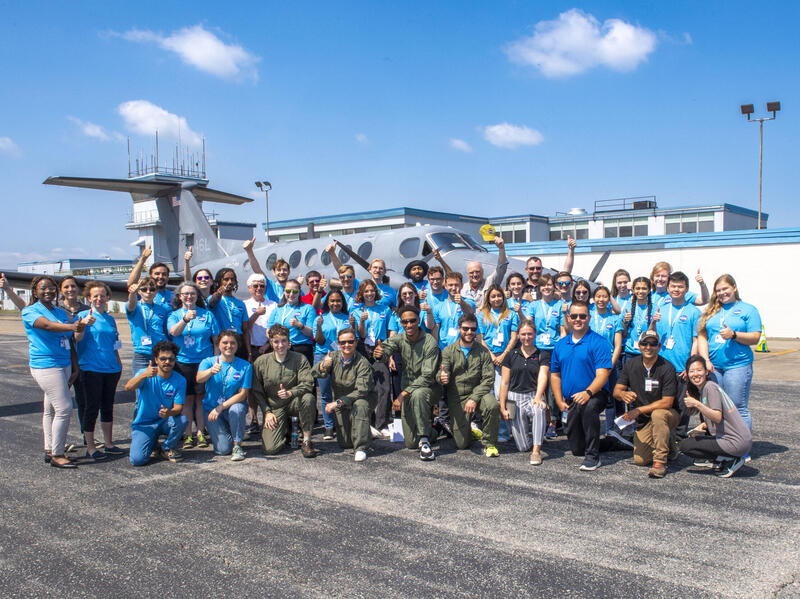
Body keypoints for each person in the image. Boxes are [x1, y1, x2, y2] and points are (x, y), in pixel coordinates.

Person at [22, 276, 88, 469]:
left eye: (52, 288)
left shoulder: (59, 312)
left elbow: (70, 340)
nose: (48, 291)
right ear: (35, 291)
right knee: (65, 407)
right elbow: (47, 326)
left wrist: (75, 367)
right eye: (43, 289)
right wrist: (73, 326)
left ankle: (50, 448)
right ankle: (58, 454)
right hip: (46, 365)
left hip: (64, 362)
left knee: (50, 408)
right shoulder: (30, 311)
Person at [697, 275, 761, 442]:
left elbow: (755, 338)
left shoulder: (749, 309)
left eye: (725, 288)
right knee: (716, 407)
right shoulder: (712, 311)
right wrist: (705, 360)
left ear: (734, 287)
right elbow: (702, 336)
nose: (722, 293)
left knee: (737, 407)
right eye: (718, 290)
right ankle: (723, 443)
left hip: (737, 365)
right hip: (714, 367)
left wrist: (734, 335)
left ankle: (742, 446)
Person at [550, 300, 612, 471]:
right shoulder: (561, 344)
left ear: (589, 317)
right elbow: (555, 375)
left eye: (582, 316)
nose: (578, 319)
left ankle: (593, 457)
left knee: (589, 407)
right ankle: (609, 443)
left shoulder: (598, 342)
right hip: (572, 399)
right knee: (577, 449)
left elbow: (603, 374)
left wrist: (588, 393)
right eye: (575, 316)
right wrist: (558, 400)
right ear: (568, 318)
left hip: (595, 394)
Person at [373, 306, 440, 461]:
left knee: (418, 393)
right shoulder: (400, 339)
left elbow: (427, 376)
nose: (409, 325)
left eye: (412, 321)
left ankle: (425, 440)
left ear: (418, 321)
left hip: (429, 388)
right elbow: (386, 349)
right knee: (410, 443)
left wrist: (402, 394)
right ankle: (434, 431)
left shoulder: (430, 342)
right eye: (405, 322)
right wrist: (380, 354)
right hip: (408, 389)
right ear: (401, 323)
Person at [614, 330, 679, 478]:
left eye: (653, 344)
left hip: (668, 414)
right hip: (644, 419)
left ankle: (660, 462)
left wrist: (638, 410)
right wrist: (623, 394)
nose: (648, 347)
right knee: (640, 460)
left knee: (658, 414)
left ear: (659, 346)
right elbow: (616, 391)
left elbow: (667, 402)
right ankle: (668, 443)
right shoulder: (631, 364)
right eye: (644, 343)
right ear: (639, 345)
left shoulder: (667, 367)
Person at [437, 313, 500, 457]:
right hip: (457, 397)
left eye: (473, 329)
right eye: (465, 329)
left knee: (492, 405)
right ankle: (469, 429)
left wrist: (474, 398)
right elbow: (441, 373)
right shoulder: (448, 351)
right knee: (461, 444)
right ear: (459, 329)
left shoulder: (483, 352)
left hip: (478, 394)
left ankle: (489, 444)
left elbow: (488, 379)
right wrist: (442, 378)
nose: (469, 332)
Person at [679, 355, 752, 478]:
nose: (695, 374)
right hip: (738, 440)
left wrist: (696, 404)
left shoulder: (710, 387)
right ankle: (721, 458)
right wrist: (701, 426)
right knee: (692, 441)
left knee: (685, 446)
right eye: (691, 371)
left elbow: (717, 417)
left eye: (699, 370)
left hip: (734, 442)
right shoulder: (706, 388)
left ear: (706, 372)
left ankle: (728, 459)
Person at [167, 282, 220, 450]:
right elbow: (173, 332)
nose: (189, 296)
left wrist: (216, 359)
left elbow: (215, 339)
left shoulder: (207, 315)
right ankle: (188, 434)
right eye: (185, 294)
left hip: (203, 362)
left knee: (201, 399)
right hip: (183, 362)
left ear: (198, 296)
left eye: (192, 294)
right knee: (187, 400)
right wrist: (185, 319)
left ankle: (200, 433)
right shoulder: (174, 315)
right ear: (179, 297)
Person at [251, 324, 317, 457]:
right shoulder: (261, 362)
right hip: (275, 407)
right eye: (276, 341)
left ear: (289, 342)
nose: (280, 345)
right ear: (270, 342)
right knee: (270, 449)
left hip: (294, 402)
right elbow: (257, 391)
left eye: (283, 341)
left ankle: (306, 440)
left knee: (308, 398)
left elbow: (308, 383)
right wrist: (267, 412)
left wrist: (290, 392)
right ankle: (285, 429)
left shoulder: (299, 359)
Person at [76, 281, 124, 460]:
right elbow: (77, 339)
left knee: (107, 406)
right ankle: (90, 446)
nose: (98, 298)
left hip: (111, 369)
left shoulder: (110, 319)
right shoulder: (83, 316)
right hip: (91, 369)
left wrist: (119, 365)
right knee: (91, 407)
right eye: (94, 295)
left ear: (108, 298)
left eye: (102, 295)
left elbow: (114, 344)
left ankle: (109, 443)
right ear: (88, 298)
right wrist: (83, 325)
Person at [313, 327, 376, 461]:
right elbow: (314, 373)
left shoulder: (363, 363)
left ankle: (361, 448)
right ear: (338, 343)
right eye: (342, 342)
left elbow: (361, 391)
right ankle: (365, 430)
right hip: (342, 401)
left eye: (350, 341)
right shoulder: (333, 357)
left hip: (362, 398)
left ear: (356, 342)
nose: (346, 345)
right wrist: (323, 365)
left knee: (360, 405)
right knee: (345, 443)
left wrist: (337, 403)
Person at [653, 271, 701, 438]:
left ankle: (679, 437)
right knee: (663, 402)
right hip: (662, 366)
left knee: (681, 405)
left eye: (680, 286)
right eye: (673, 286)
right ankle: (663, 434)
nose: (676, 289)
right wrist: (653, 322)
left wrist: (690, 366)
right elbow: (652, 336)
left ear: (686, 289)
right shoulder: (661, 309)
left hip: (682, 366)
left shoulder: (694, 312)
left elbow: (696, 340)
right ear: (667, 288)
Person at [126, 341, 188, 466]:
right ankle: (152, 442)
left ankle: (166, 447)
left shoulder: (180, 380)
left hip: (164, 421)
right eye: (163, 359)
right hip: (145, 423)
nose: (167, 362)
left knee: (182, 420)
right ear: (156, 360)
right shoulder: (146, 374)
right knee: (137, 460)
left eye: (171, 359)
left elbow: (179, 408)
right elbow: (128, 387)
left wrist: (169, 412)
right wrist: (143, 375)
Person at [498, 319, 550, 465]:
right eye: (523, 334)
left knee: (539, 410)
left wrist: (539, 397)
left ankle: (536, 451)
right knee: (522, 447)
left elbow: (543, 376)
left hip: (533, 394)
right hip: (514, 397)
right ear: (518, 336)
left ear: (535, 334)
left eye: (530, 334)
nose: (526, 337)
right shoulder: (511, 355)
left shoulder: (542, 355)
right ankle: (534, 439)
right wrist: (502, 406)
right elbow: (504, 382)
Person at [197, 331, 252, 461]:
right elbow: (199, 378)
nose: (229, 346)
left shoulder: (245, 366)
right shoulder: (208, 362)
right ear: (218, 344)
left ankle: (237, 445)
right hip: (211, 410)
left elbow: (243, 394)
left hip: (229, 408)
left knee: (237, 408)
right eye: (225, 343)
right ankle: (233, 432)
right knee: (223, 450)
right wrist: (210, 371)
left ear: (237, 345)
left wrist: (221, 407)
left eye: (233, 343)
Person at [351, 280, 393, 441]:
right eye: (366, 291)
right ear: (362, 293)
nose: (369, 294)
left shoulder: (385, 309)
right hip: (363, 348)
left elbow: (390, 332)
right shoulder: (356, 311)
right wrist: (361, 321)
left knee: (384, 387)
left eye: (372, 291)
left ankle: (382, 424)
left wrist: (388, 352)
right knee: (365, 387)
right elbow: (360, 334)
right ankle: (368, 422)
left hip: (380, 347)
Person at [529, 274, 565, 438]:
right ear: (539, 288)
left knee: (552, 388)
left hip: (554, 349)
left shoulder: (560, 305)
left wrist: (562, 349)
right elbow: (529, 326)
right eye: (543, 285)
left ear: (554, 286)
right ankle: (537, 419)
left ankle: (553, 422)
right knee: (537, 385)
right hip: (537, 349)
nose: (546, 288)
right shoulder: (534, 305)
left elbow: (563, 330)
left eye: (549, 285)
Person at [314, 289, 352, 439]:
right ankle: (329, 426)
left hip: (342, 356)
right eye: (332, 301)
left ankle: (342, 424)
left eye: (338, 301)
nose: (335, 304)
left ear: (342, 303)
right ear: (327, 303)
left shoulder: (348, 318)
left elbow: (351, 339)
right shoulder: (320, 318)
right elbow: (320, 341)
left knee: (343, 391)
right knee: (325, 393)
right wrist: (318, 326)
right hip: (324, 355)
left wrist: (354, 326)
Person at [244, 273, 276, 438]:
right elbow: (245, 328)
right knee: (252, 387)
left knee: (269, 385)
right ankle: (254, 420)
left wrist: (267, 345)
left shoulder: (273, 305)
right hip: (252, 349)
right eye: (255, 286)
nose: (258, 289)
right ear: (249, 288)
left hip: (269, 349)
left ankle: (268, 418)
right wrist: (256, 314)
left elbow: (276, 329)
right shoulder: (245, 305)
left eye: (261, 286)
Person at [589, 286, 624, 437]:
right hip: (590, 363)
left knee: (610, 396)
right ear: (594, 298)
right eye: (598, 296)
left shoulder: (615, 319)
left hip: (608, 363)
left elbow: (617, 346)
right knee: (592, 395)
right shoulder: (588, 315)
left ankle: (610, 429)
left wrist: (611, 364)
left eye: (604, 297)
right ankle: (591, 427)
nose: (601, 300)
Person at [267, 279, 316, 366]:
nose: (291, 294)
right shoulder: (277, 309)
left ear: (299, 292)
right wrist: (277, 342)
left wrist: (300, 326)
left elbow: (311, 332)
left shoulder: (308, 308)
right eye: (288, 291)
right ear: (284, 291)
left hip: (301, 348)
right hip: (281, 348)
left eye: (295, 291)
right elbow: (268, 331)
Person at [126, 277, 170, 375]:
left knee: (159, 385)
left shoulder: (162, 309)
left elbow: (166, 330)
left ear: (156, 291)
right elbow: (131, 304)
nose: (148, 292)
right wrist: (132, 293)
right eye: (144, 289)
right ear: (139, 292)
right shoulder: (136, 307)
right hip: (142, 354)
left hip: (160, 353)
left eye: (152, 289)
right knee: (141, 384)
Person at [207, 268, 249, 357]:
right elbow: (212, 303)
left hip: (238, 341)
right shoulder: (215, 298)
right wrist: (218, 293)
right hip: (222, 341)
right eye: (226, 279)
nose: (230, 282)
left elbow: (245, 330)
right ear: (220, 281)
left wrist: (249, 352)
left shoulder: (240, 303)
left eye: (232, 279)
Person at [461, 236, 508, 309]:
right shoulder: (463, 288)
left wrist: (501, 248)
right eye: (471, 272)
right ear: (467, 274)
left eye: (477, 272)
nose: (475, 275)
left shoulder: (489, 283)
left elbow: (501, 268)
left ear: (483, 272)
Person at [432, 272, 475, 350]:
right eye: (450, 285)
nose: (454, 288)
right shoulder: (439, 306)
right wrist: (435, 347)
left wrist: (461, 302)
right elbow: (436, 329)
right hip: (443, 349)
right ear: (445, 286)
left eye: (456, 285)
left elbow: (470, 311)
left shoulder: (469, 302)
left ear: (462, 286)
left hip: (463, 349)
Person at [243, 238, 291, 303]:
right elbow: (257, 270)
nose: (282, 272)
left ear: (289, 272)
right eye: (279, 270)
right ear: (274, 272)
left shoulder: (295, 288)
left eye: (285, 270)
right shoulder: (270, 285)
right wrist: (249, 251)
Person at [621, 277, 655, 363]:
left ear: (649, 290)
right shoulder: (627, 307)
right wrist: (625, 322)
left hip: (648, 352)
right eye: (637, 288)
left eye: (644, 288)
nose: (640, 291)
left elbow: (656, 333)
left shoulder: (655, 308)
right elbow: (624, 334)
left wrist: (654, 321)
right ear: (633, 289)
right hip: (630, 353)